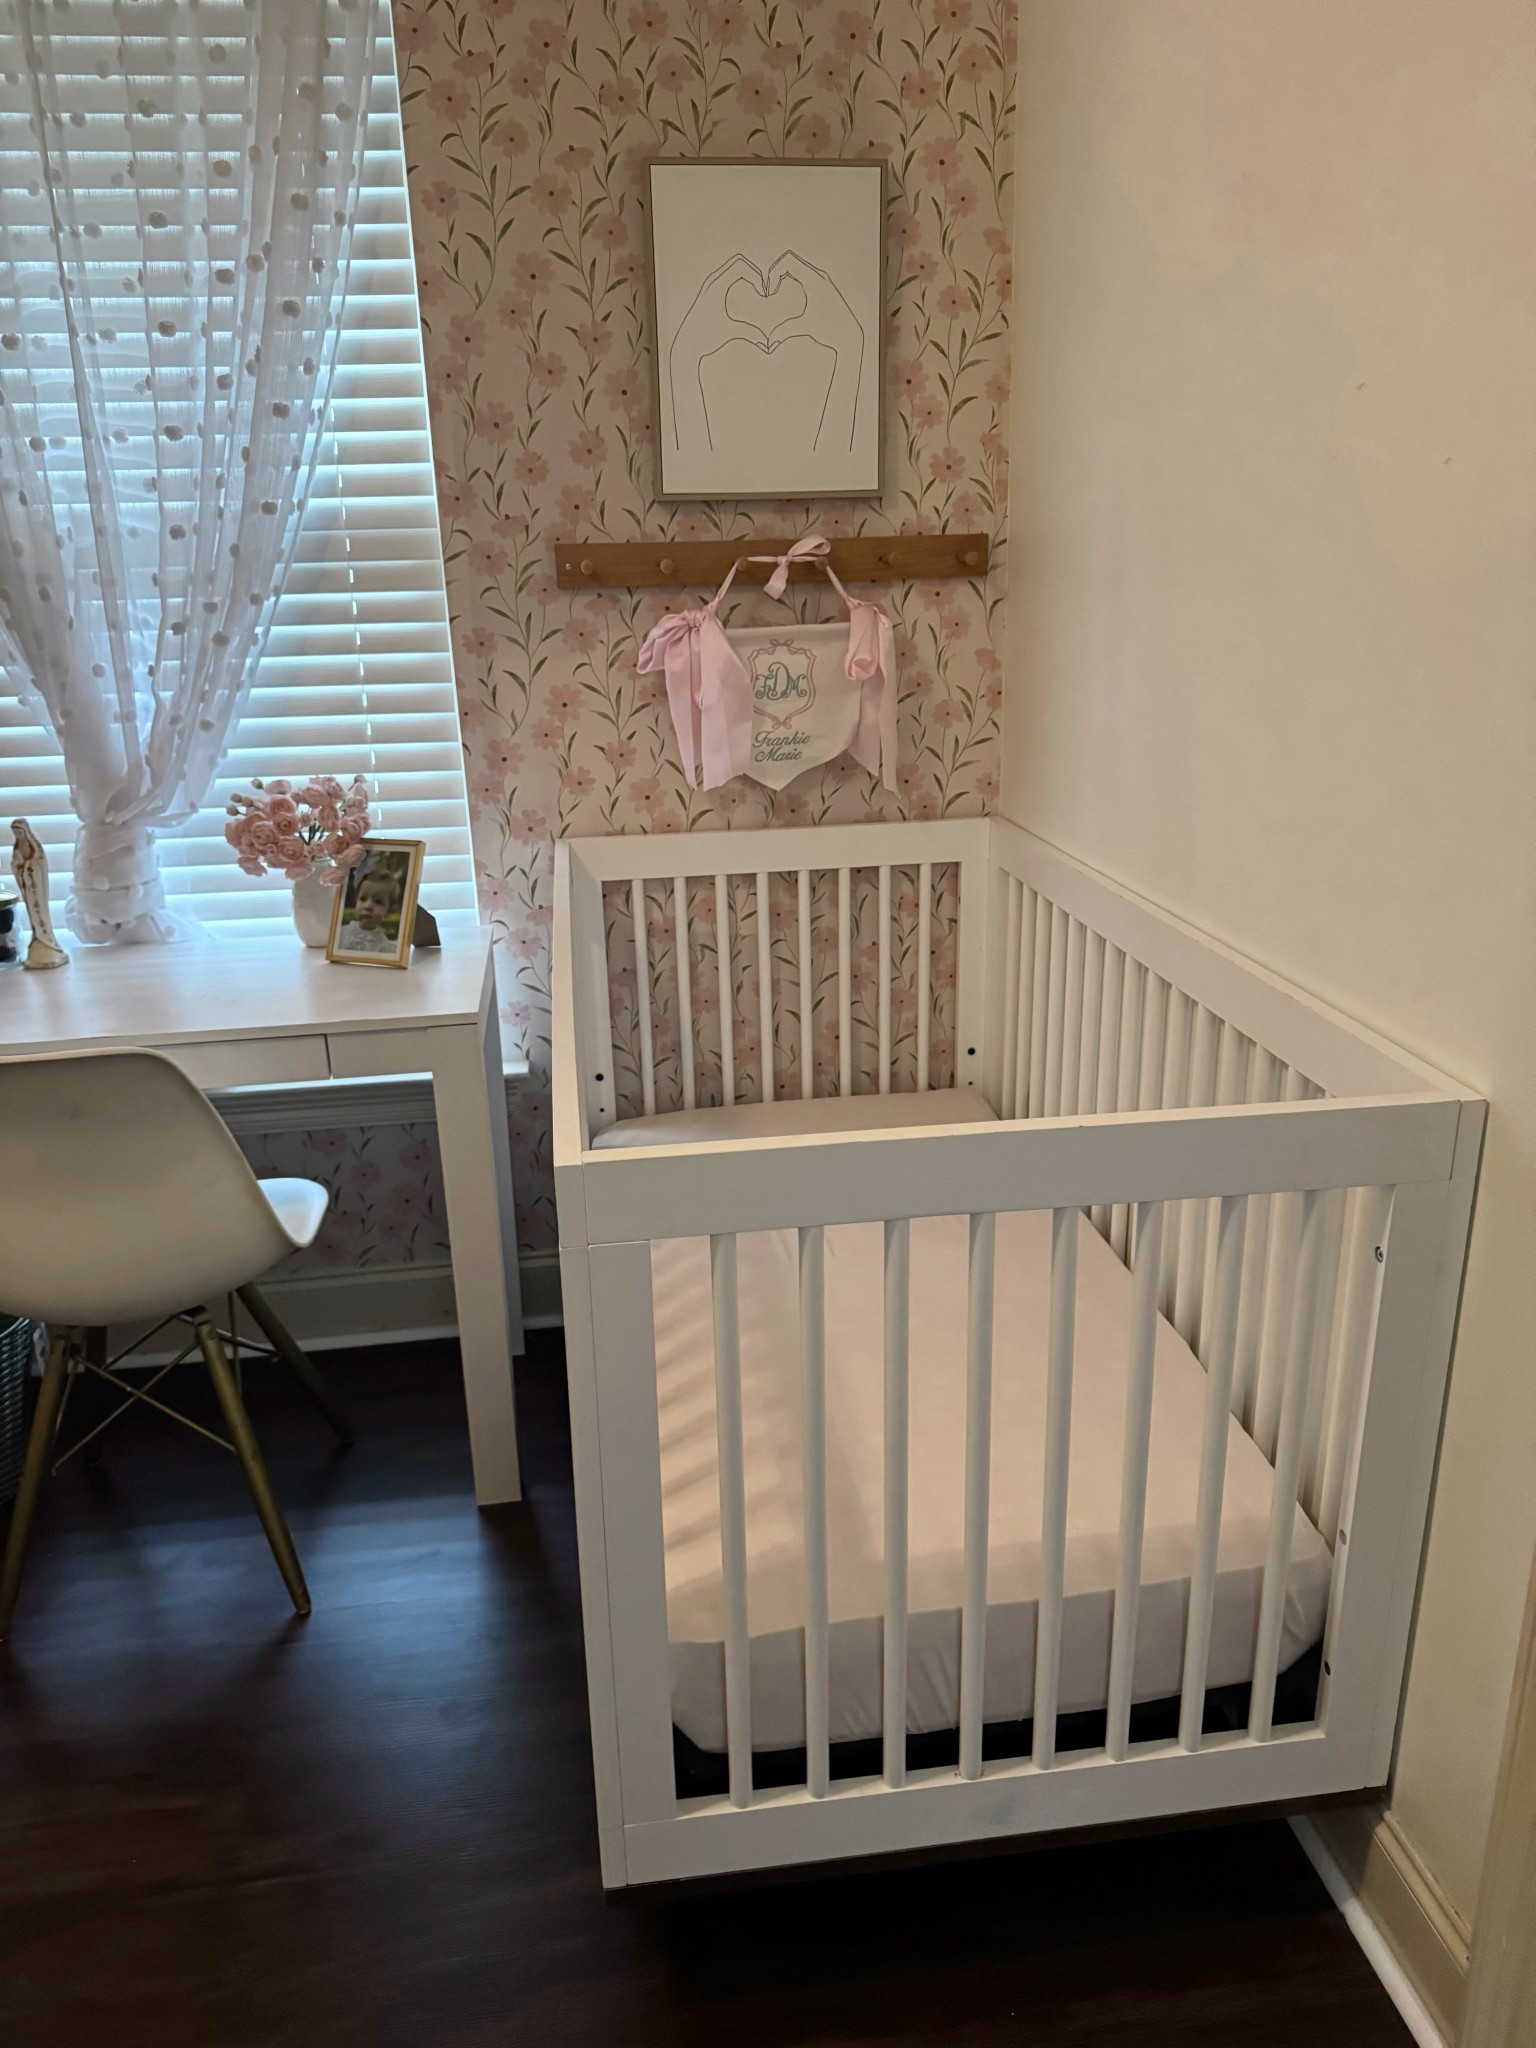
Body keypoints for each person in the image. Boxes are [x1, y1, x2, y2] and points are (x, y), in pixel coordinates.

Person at [339, 862, 404, 955]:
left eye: (378, 902)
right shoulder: (341, 933)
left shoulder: (384, 948)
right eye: (363, 899)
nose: (368, 906)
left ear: (389, 910)